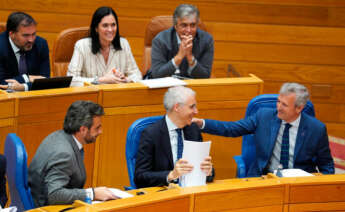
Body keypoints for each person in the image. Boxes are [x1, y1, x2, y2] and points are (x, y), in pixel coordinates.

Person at [193, 83, 334, 177]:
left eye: (284, 105)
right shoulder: (263, 116)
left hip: (298, 184)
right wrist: (202, 124)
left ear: (299, 108)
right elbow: (231, 129)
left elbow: (327, 165)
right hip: (265, 178)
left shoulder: (317, 129)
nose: (278, 107)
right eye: (278, 101)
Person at [28, 101, 117, 207]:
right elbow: (54, 195)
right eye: (97, 128)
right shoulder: (64, 153)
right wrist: (92, 193)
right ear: (83, 129)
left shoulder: (59, 135)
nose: (101, 131)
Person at [134, 86, 213, 188]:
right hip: (164, 194)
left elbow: (206, 169)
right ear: (177, 108)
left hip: (192, 191)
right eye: (192, 107)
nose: (196, 111)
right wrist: (171, 175)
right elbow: (140, 177)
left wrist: (208, 171)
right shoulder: (151, 134)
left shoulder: (193, 130)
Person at [67, 6, 142, 84]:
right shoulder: (81, 46)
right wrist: (101, 80)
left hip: (116, 94)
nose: (110, 30)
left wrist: (124, 79)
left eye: (113, 25)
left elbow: (137, 75)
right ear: (96, 28)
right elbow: (71, 80)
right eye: (105, 25)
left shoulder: (124, 44)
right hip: (91, 95)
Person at [148, 4, 214, 79]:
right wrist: (179, 57)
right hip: (167, 87)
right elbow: (157, 75)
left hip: (194, 86)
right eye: (184, 25)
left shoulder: (206, 40)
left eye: (192, 25)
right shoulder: (160, 40)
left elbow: (205, 76)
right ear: (175, 26)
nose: (189, 30)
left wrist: (190, 57)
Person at [0, 12, 50, 91]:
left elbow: (45, 81)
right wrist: (27, 78)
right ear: (11, 34)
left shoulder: (41, 44)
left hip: (33, 97)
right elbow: (2, 84)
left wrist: (24, 87)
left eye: (33, 34)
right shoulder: (1, 47)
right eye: (26, 35)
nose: (31, 40)